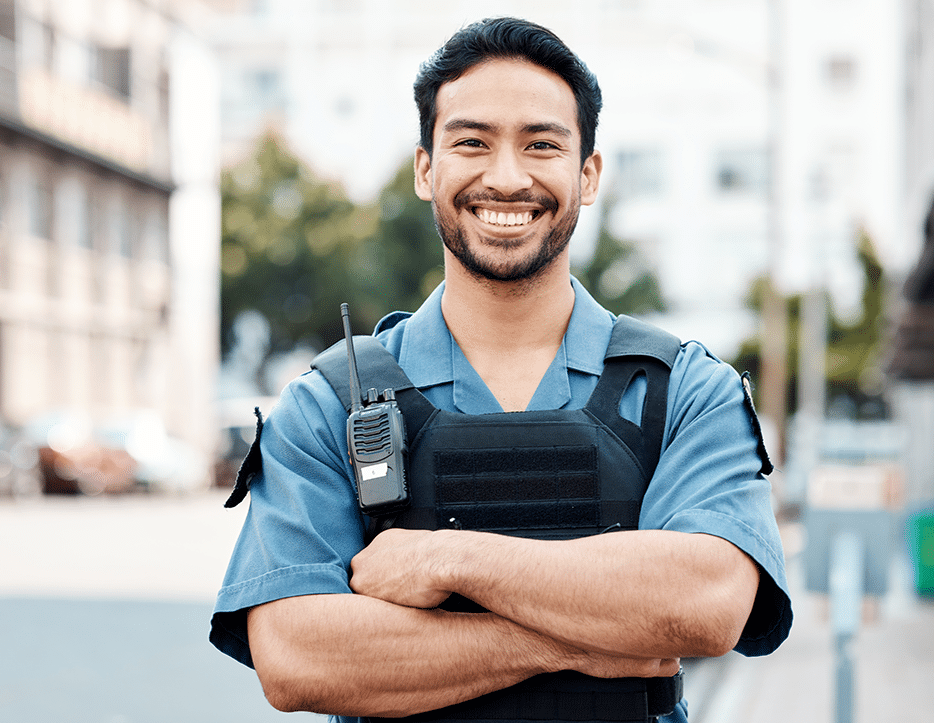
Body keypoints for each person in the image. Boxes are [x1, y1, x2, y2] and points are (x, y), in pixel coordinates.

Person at [210, 17, 792, 723]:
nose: (507, 177)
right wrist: (585, 637)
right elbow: (297, 656)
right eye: (471, 142)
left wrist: (447, 561)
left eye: (541, 144)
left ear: (589, 173)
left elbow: (705, 605)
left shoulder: (684, 392)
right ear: (426, 169)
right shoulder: (331, 403)